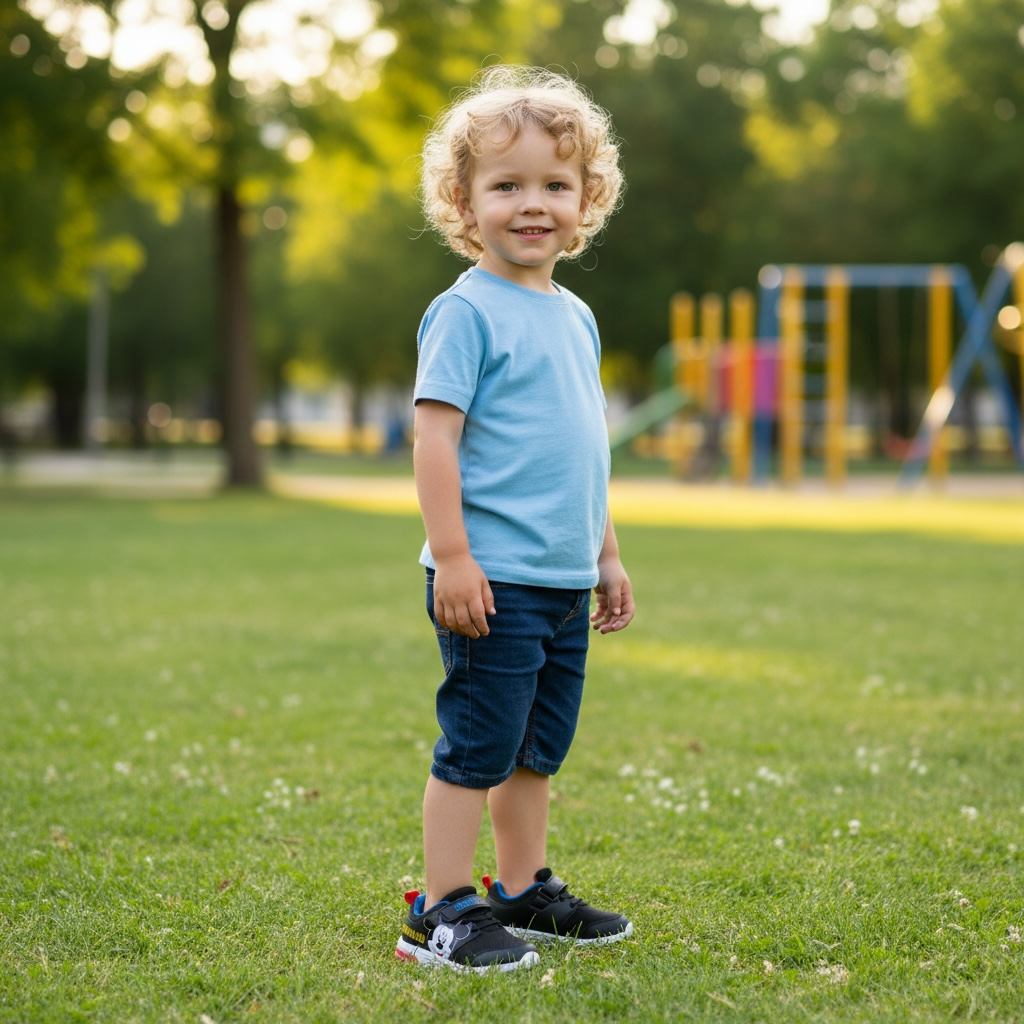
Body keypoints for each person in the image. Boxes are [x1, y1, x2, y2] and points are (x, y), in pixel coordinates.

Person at [394, 65, 635, 974]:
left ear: (586, 200)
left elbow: (584, 451)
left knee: (536, 750)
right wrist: (453, 557)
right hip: (489, 574)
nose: (532, 205)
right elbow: (433, 442)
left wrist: (606, 555)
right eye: (507, 186)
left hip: (564, 577)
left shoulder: (574, 314)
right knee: (478, 745)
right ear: (465, 201)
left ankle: (522, 887)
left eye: (554, 186)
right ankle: (442, 907)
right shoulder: (465, 311)